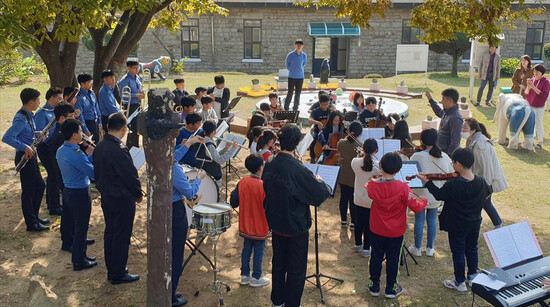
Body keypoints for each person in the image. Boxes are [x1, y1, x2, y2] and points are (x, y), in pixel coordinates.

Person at [263, 124, 331, 307]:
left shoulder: (270, 162)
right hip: (295, 226)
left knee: (279, 263)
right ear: (297, 143)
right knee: (295, 268)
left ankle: (277, 300)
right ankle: (291, 303)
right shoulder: (298, 169)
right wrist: (321, 182)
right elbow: (319, 193)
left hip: (276, 221)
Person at [417, 148, 492, 292]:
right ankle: (472, 276)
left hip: (457, 224)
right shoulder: (481, 182)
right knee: (472, 249)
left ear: (458, 164)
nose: (452, 165)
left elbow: (439, 195)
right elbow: (487, 195)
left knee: (458, 252)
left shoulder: (454, 185)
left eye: (453, 163)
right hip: (474, 223)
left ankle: (459, 281)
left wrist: (427, 182)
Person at [366, 152, 427, 298]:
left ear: (381, 167)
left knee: (376, 256)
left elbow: (369, 188)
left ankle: (374, 286)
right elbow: (417, 207)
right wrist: (423, 200)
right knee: (393, 259)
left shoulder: (373, 186)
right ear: (399, 170)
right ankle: (391, 288)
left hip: (377, 228)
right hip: (395, 231)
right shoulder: (402, 187)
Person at [93, 113, 142, 284]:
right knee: (121, 236)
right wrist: (138, 193)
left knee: (111, 232)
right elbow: (130, 175)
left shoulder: (100, 146)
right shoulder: (119, 148)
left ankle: (113, 267)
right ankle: (118, 272)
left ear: (108, 127)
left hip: (107, 196)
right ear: (124, 128)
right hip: (122, 198)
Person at [2, 88, 49, 231]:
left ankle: (34, 217)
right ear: (30, 102)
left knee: (39, 186)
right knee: (29, 190)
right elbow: (8, 137)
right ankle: (31, 223)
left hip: (31, 156)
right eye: (38, 101)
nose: (39, 103)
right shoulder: (21, 118)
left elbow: (27, 134)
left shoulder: (29, 116)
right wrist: (24, 147)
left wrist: (38, 135)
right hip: (24, 157)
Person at [56, 119, 97, 271]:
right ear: (74, 135)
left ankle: (81, 255)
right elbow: (91, 172)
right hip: (79, 192)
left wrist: (87, 153)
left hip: (68, 190)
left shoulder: (62, 150)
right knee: (81, 227)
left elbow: (79, 165)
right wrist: (92, 155)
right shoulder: (76, 153)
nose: (82, 134)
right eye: (80, 131)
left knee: (75, 224)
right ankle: (79, 260)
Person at [171, 135, 205, 306]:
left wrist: (190, 143)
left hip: (164, 210)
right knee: (176, 255)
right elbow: (190, 194)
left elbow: (175, 155)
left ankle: (169, 288)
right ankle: (170, 295)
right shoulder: (175, 169)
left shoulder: (160, 158)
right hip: (175, 211)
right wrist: (198, 179)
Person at [408, 129, 454, 257]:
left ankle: (417, 248)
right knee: (432, 219)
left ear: (422, 141)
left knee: (419, 219)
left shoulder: (417, 156)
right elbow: (450, 173)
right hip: (436, 195)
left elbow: (410, 173)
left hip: (420, 194)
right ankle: (430, 248)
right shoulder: (444, 156)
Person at [230, 154, 271, 288]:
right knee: (259, 251)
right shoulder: (263, 185)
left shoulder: (243, 182)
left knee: (246, 250)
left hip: (245, 224)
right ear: (261, 167)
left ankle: (244, 275)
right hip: (260, 225)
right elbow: (268, 207)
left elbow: (234, 201)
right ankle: (256, 276)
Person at [463, 118, 507, 228]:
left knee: (483, 203)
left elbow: (487, 168)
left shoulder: (480, 145)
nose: (462, 130)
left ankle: (497, 225)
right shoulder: (471, 140)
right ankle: (497, 225)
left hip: (485, 182)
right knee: (483, 204)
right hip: (478, 180)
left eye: (465, 127)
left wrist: (486, 188)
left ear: (473, 130)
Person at [35, 87, 64, 215]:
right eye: (59, 98)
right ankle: (53, 206)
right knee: (53, 175)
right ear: (51, 98)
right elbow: (41, 135)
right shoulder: (42, 113)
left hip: (55, 147)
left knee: (56, 175)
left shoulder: (57, 111)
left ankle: (54, 203)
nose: (61, 101)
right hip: (46, 148)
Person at [351, 138, 380, 258]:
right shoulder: (378, 166)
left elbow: (358, 162)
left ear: (363, 149)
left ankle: (358, 244)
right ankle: (367, 248)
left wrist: (359, 154)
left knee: (358, 222)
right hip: (371, 200)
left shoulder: (355, 162)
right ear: (376, 150)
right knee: (369, 224)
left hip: (358, 198)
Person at [336, 121, 362, 228]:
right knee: (352, 200)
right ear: (359, 134)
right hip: (353, 176)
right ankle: (353, 222)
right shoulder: (360, 145)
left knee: (343, 198)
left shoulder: (341, 142)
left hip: (342, 175)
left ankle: (343, 220)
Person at [195, 120, 236, 187]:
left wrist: (226, 148)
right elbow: (219, 160)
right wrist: (232, 149)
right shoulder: (209, 145)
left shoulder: (202, 139)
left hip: (205, 172)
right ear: (214, 132)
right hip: (212, 175)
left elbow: (214, 156)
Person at [426, 88, 463, 155]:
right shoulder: (447, 112)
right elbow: (439, 112)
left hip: (446, 155)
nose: (441, 101)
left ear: (450, 101)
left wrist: (449, 157)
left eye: (443, 99)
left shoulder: (455, 118)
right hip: (440, 151)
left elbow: (455, 141)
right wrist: (431, 100)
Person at [118, 59, 145, 149]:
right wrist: (136, 95)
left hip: (138, 105)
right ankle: (132, 147)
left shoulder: (137, 78)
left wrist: (142, 94)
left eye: (138, 68)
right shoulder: (125, 80)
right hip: (130, 106)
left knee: (137, 127)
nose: (137, 70)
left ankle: (135, 145)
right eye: (134, 68)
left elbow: (139, 89)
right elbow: (123, 95)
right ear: (129, 68)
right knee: (133, 128)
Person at [525, 63, 550, 149]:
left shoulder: (546, 82)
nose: (535, 73)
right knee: (530, 123)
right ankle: (530, 140)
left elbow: (544, 94)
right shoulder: (532, 80)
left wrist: (533, 87)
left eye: (537, 72)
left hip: (539, 106)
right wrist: (528, 87)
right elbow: (526, 93)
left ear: (542, 73)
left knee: (538, 123)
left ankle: (540, 142)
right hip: (530, 105)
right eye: (534, 71)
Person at [76, 73, 103, 144]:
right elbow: (80, 115)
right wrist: (85, 130)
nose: (91, 84)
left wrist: (100, 123)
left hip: (95, 122)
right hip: (87, 123)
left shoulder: (92, 93)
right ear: (82, 84)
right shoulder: (79, 97)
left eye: (91, 82)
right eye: (89, 83)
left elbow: (96, 108)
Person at [284, 39, 307, 111]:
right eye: (298, 45)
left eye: (300, 45)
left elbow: (304, 64)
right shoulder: (290, 55)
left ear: (302, 46)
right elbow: (287, 64)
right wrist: (292, 70)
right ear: (295, 45)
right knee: (290, 93)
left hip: (300, 77)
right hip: (291, 77)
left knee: (298, 93)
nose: (299, 46)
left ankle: (295, 107)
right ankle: (286, 107)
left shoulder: (304, 55)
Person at [308, 93, 331, 161]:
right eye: (323, 105)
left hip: (327, 131)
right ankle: (312, 157)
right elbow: (310, 120)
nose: (325, 106)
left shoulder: (329, 111)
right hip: (317, 130)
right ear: (319, 103)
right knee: (314, 139)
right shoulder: (316, 111)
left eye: (327, 104)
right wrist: (317, 122)